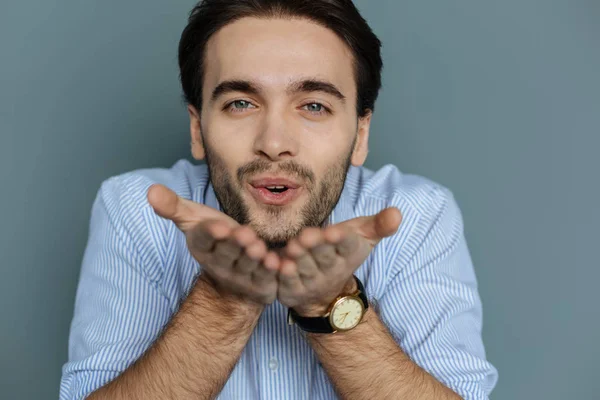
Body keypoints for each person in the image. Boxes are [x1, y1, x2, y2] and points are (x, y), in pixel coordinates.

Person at [59, 0, 498, 398]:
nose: (273, 142)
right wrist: (224, 301)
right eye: (240, 103)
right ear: (198, 128)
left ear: (361, 134)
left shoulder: (417, 215)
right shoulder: (136, 210)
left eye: (313, 106)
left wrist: (331, 304)